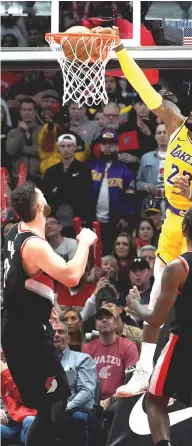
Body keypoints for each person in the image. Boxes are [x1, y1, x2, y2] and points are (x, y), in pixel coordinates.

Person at [92, 26, 192, 396]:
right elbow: (145, 90)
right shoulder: (174, 122)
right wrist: (121, 51)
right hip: (173, 221)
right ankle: (143, 371)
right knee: (155, 299)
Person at [126, 206, 192, 446]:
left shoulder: (179, 267)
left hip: (186, 341)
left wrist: (135, 304)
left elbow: (155, 319)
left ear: (183, 230)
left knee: (154, 401)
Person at [1, 181, 97, 446]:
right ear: (40, 206)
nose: (45, 194)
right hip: (26, 334)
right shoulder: (33, 244)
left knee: (50, 402)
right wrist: (85, 242)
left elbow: (26, 283)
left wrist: (48, 305)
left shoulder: (14, 232)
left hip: (22, 326)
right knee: (55, 401)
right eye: (42, 194)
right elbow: (72, 275)